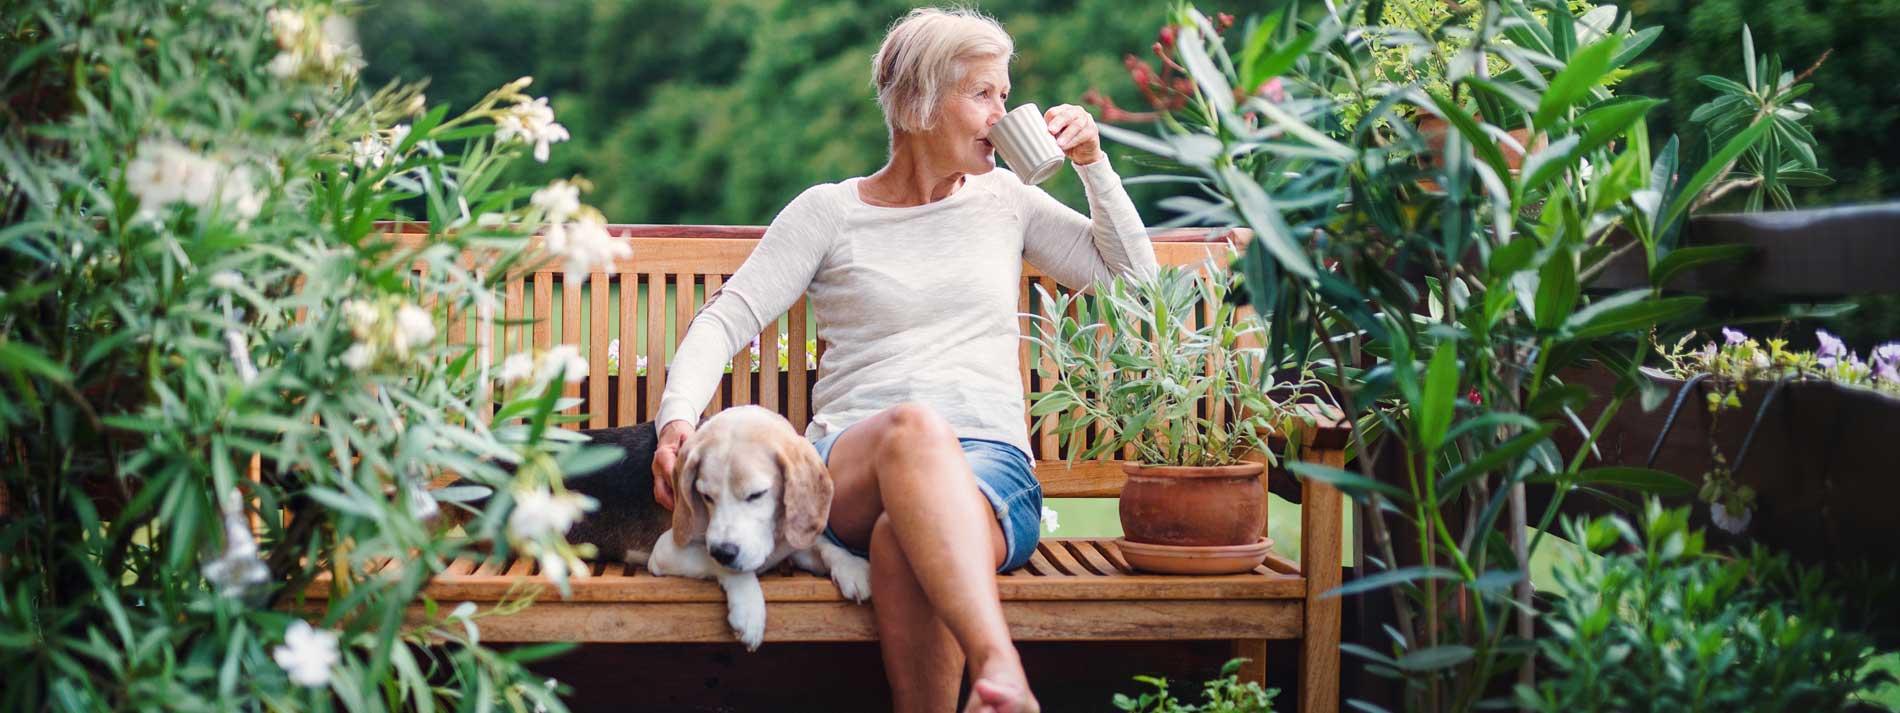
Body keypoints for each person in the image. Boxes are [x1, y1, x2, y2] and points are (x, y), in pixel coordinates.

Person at [649, 7, 1157, 712]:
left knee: (900, 540)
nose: (1002, 113)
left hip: (990, 469)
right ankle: (1000, 664)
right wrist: (677, 421)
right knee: (914, 428)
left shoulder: (1008, 201)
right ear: (919, 102)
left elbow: (1136, 287)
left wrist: (1093, 166)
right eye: (984, 94)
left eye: (1005, 96)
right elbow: (725, 320)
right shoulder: (829, 213)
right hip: (850, 463)